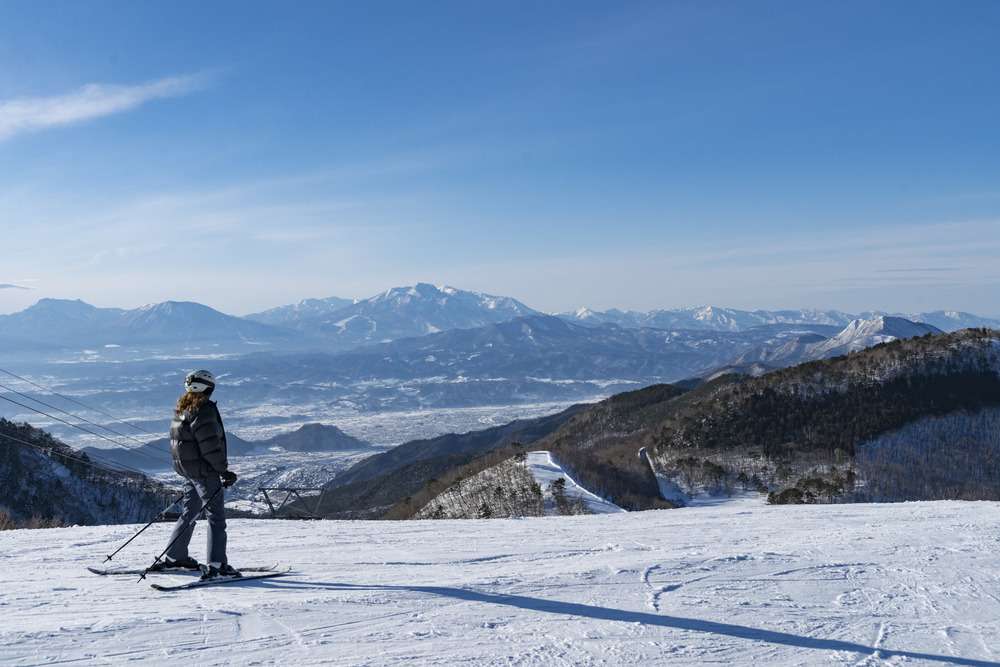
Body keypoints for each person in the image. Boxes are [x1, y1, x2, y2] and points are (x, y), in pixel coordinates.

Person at [154, 369, 240, 580]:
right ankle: (217, 565)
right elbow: (210, 446)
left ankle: (175, 557)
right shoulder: (204, 410)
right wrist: (223, 470)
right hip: (204, 472)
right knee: (216, 518)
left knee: (189, 512)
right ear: (207, 388)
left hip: (189, 471)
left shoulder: (182, 408)